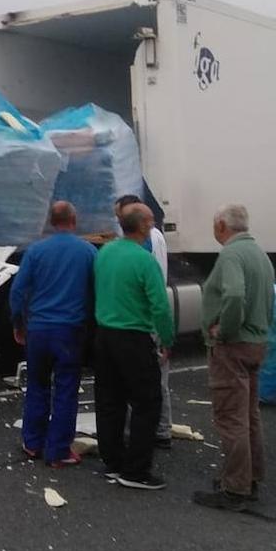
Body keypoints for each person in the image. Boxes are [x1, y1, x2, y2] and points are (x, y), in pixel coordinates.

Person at [192, 204, 275, 511]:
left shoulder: (230, 255)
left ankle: (235, 487)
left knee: (230, 416)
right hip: (256, 341)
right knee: (250, 414)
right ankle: (251, 477)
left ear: (222, 227)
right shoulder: (259, 254)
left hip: (234, 344)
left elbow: (235, 293)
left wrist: (224, 331)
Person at [93, 202, 176, 490]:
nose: (153, 224)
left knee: (109, 401)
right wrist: (167, 339)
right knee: (146, 401)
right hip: (133, 336)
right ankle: (136, 470)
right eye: (151, 220)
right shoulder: (144, 260)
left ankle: (113, 461)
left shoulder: (105, 253)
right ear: (141, 226)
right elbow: (160, 306)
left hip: (104, 335)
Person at [9, 201, 98, 467]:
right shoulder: (88, 251)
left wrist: (18, 323)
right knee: (66, 388)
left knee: (37, 385)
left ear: (51, 221)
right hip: (70, 330)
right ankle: (59, 450)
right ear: (74, 220)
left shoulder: (35, 251)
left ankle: (33, 442)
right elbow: (95, 290)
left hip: (38, 329)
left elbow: (17, 291)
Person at [114, 195, 173, 448]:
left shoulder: (147, 240)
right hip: (147, 311)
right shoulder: (150, 237)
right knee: (152, 377)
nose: (119, 220)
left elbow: (147, 284)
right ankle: (158, 428)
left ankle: (158, 430)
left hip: (146, 315)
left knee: (153, 378)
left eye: (122, 216)